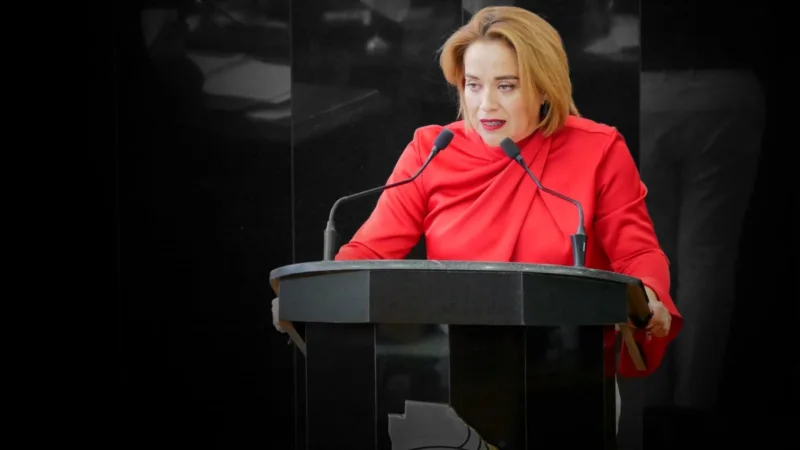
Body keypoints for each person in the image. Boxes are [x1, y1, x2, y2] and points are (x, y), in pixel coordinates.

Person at [272, 5, 683, 433]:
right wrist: (315, 298)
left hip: (569, 379)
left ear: (544, 88)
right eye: (473, 85)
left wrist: (650, 295)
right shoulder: (432, 151)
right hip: (452, 380)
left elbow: (637, 253)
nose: (486, 104)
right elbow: (368, 251)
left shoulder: (597, 150)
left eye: (506, 86)